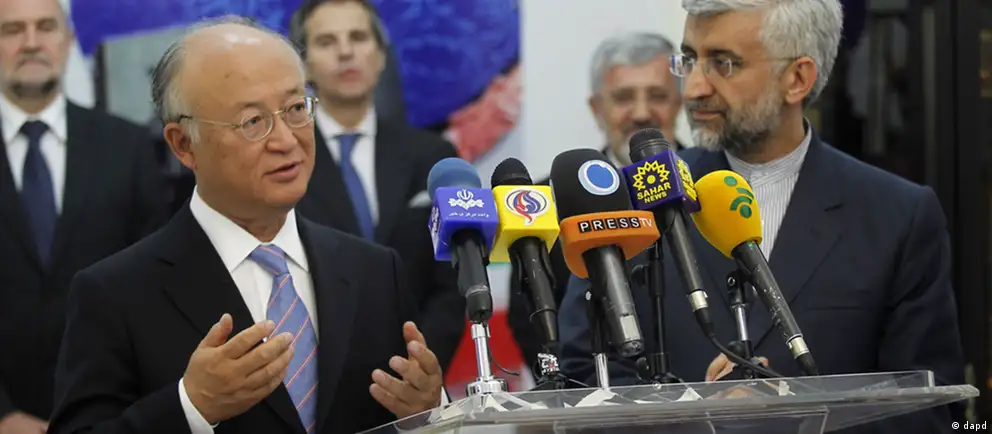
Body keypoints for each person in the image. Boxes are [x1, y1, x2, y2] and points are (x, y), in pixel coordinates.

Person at [557, 0, 964, 432]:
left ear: (797, 78)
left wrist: (796, 420)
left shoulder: (897, 215)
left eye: (724, 63)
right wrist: (700, 418)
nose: (693, 88)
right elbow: (584, 377)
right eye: (689, 60)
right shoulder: (635, 199)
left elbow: (932, 410)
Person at [48, 17, 444, 434]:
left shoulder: (376, 271)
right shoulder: (115, 293)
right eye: (253, 121)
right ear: (183, 144)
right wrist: (191, 407)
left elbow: (403, 415)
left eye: (296, 109)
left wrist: (428, 412)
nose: (286, 141)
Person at [0, 0, 167, 431]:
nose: (31, 43)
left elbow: (153, 286)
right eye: (12, 30)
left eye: (45, 27)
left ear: (68, 40)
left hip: (111, 411)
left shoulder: (127, 147)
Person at [289, 0, 465, 373]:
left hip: (417, 370)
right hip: (313, 373)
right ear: (304, 65)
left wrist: (419, 368)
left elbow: (451, 284)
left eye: (358, 37)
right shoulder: (285, 159)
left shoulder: (432, 155)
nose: (345, 52)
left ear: (381, 55)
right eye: (326, 42)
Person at [509, 32, 686, 373]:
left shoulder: (710, 182)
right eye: (623, 98)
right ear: (596, 108)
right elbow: (530, 317)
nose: (641, 113)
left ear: (679, 102)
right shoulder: (544, 200)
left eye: (658, 96)